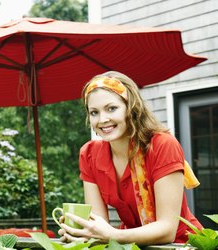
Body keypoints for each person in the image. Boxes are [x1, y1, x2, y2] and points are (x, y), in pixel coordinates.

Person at [58, 71, 202, 246]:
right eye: (94, 112)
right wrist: (82, 231)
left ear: (131, 107)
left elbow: (167, 230)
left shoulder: (162, 145)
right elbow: (99, 224)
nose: (103, 119)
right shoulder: (89, 154)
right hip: (131, 246)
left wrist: (112, 235)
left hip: (182, 245)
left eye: (112, 108)